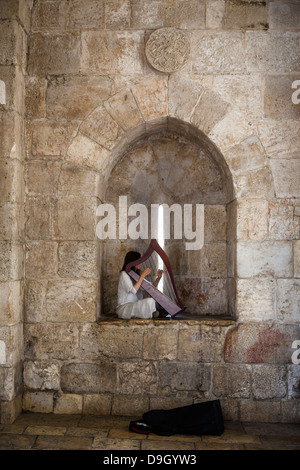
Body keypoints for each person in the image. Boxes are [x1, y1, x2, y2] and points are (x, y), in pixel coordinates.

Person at [116, 251, 166, 319]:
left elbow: (150, 287)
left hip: (136, 305)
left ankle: (154, 312)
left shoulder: (136, 275)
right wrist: (142, 276)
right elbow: (133, 290)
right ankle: (154, 312)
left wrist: (158, 278)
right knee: (150, 301)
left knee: (151, 300)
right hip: (125, 308)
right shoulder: (124, 274)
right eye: (139, 261)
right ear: (133, 262)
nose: (141, 263)